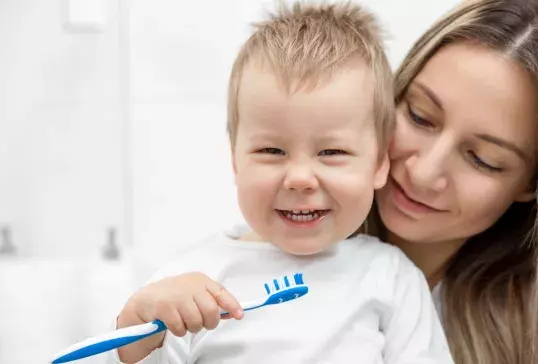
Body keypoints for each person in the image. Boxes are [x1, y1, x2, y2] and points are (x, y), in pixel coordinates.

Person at [111, 2, 453, 363]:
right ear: (235, 159)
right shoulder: (190, 284)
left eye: (332, 151)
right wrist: (136, 332)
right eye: (272, 150)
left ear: (380, 162)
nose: (300, 178)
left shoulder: (391, 278)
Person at [366, 0, 538, 363]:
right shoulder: (256, 256)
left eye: (483, 160)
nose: (424, 173)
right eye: (420, 116)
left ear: (530, 185)